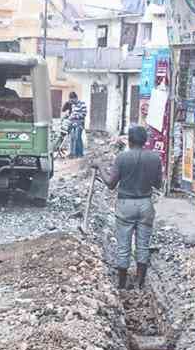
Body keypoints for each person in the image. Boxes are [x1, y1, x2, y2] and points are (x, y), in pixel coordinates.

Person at [100, 125, 162, 290]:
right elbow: (158, 184)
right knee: (143, 245)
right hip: (145, 204)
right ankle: (140, 284)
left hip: (125, 205)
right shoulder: (155, 158)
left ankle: (121, 284)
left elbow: (111, 184)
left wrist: (100, 168)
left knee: (123, 245)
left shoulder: (122, 158)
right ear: (145, 140)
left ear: (129, 140)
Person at [61, 91, 87, 158]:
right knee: (72, 138)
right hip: (72, 123)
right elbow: (71, 113)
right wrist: (68, 117)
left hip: (79, 123)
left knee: (78, 138)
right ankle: (72, 153)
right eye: (70, 100)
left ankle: (80, 154)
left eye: (72, 100)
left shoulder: (82, 104)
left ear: (76, 98)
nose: (71, 101)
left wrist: (74, 117)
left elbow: (84, 114)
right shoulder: (73, 105)